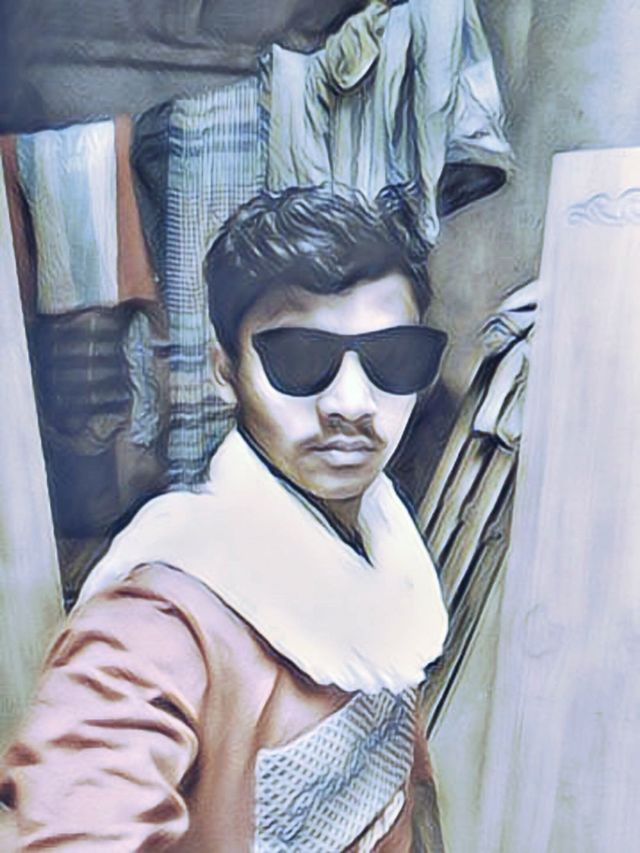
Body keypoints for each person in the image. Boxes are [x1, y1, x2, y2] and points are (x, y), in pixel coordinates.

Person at [0, 186, 449, 851]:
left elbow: (405, 795)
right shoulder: (158, 619)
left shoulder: (385, 541)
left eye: (393, 359)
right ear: (224, 371)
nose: (352, 403)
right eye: (300, 359)